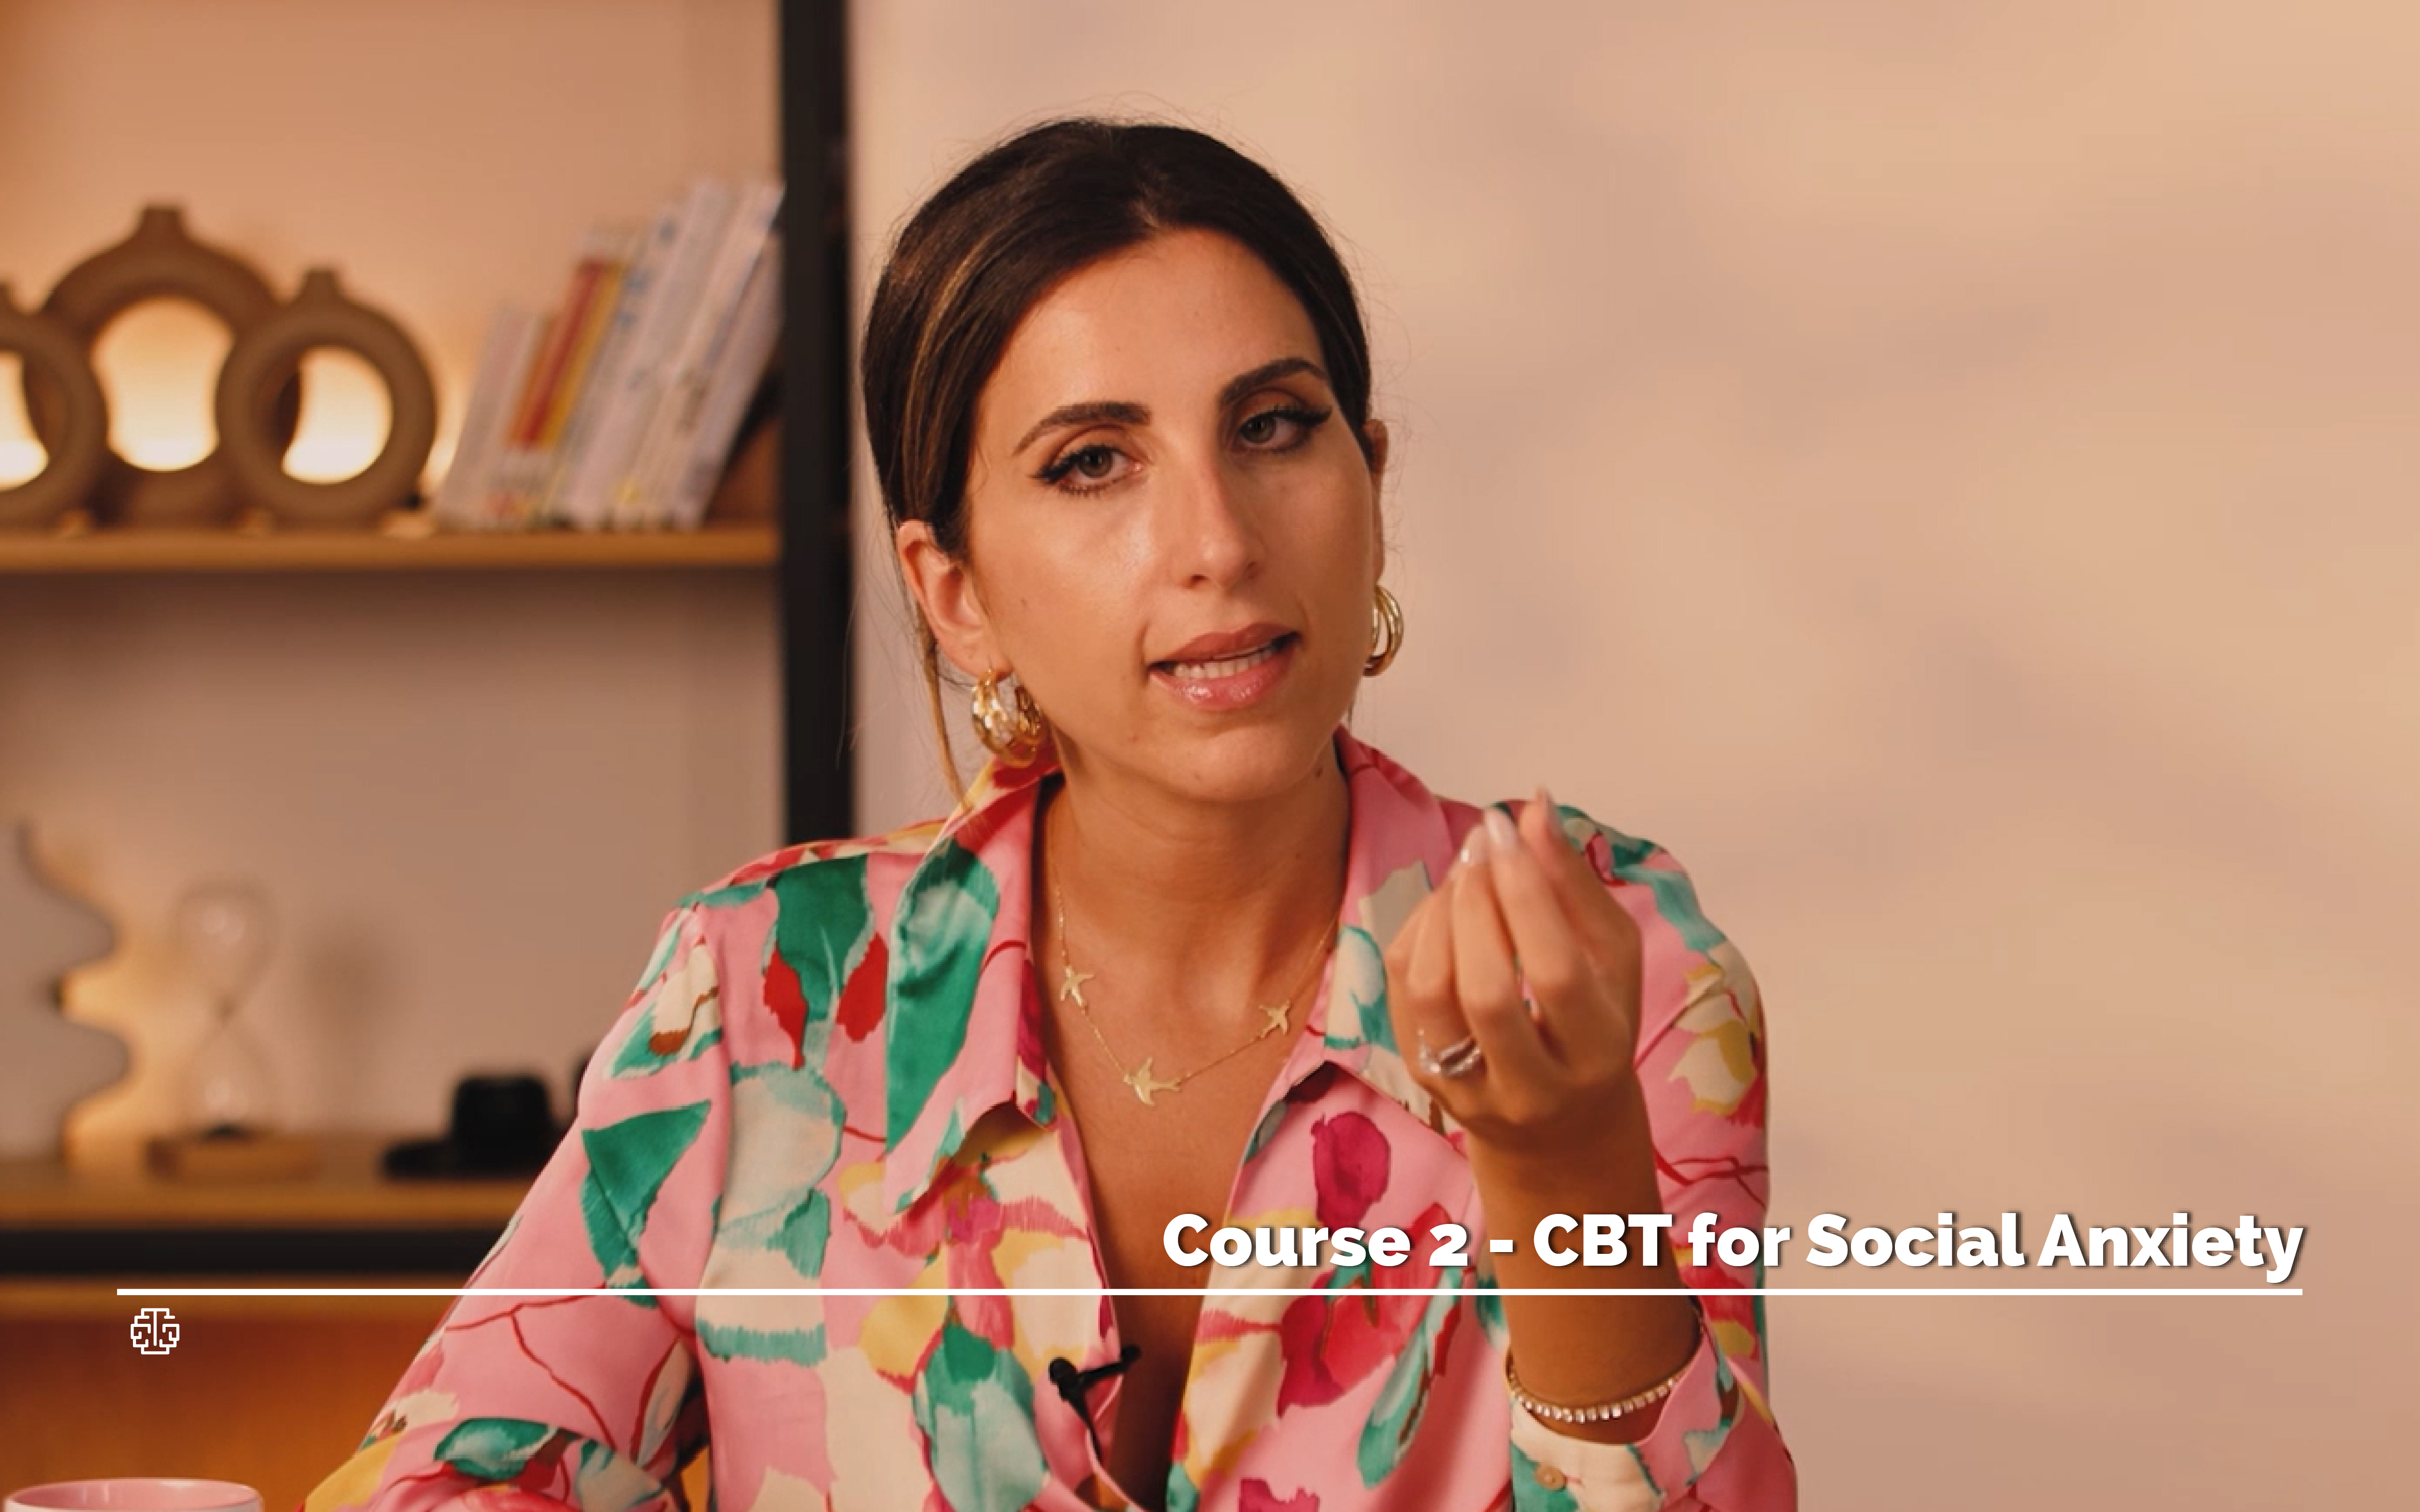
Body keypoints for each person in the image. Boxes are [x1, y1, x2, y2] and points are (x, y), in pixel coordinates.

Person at [305, 118, 1792, 1512]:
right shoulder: (761, 992)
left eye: (1273, 427)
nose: (1218, 541)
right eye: (1093, 463)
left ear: (1373, 484)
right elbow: (443, 1481)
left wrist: (1564, 1165)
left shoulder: (1628, 970)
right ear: (956, 594)